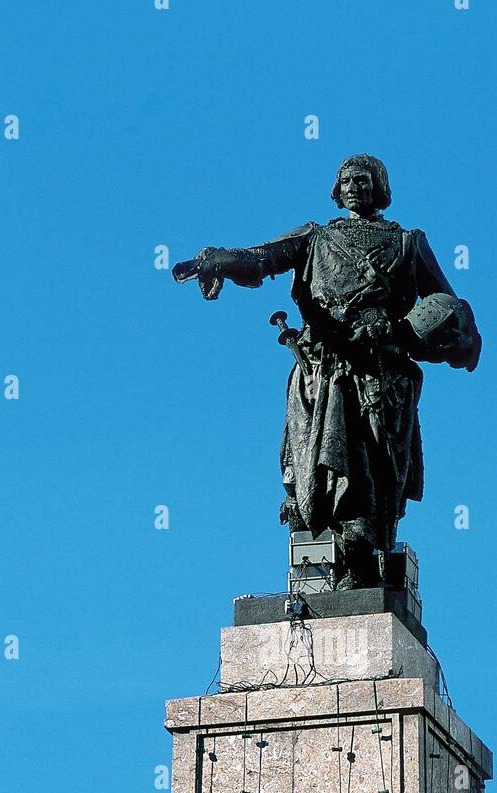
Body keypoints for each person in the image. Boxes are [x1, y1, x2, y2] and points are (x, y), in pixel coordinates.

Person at [174, 154, 481, 589]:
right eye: (347, 180)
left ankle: (359, 561)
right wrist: (218, 259)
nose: (355, 186)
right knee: (318, 472)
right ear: (337, 190)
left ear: (380, 187)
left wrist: (417, 334)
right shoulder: (315, 238)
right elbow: (261, 259)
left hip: (378, 377)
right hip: (323, 371)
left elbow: (450, 311)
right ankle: (326, 564)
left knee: (368, 474)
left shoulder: (408, 244)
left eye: (364, 178)